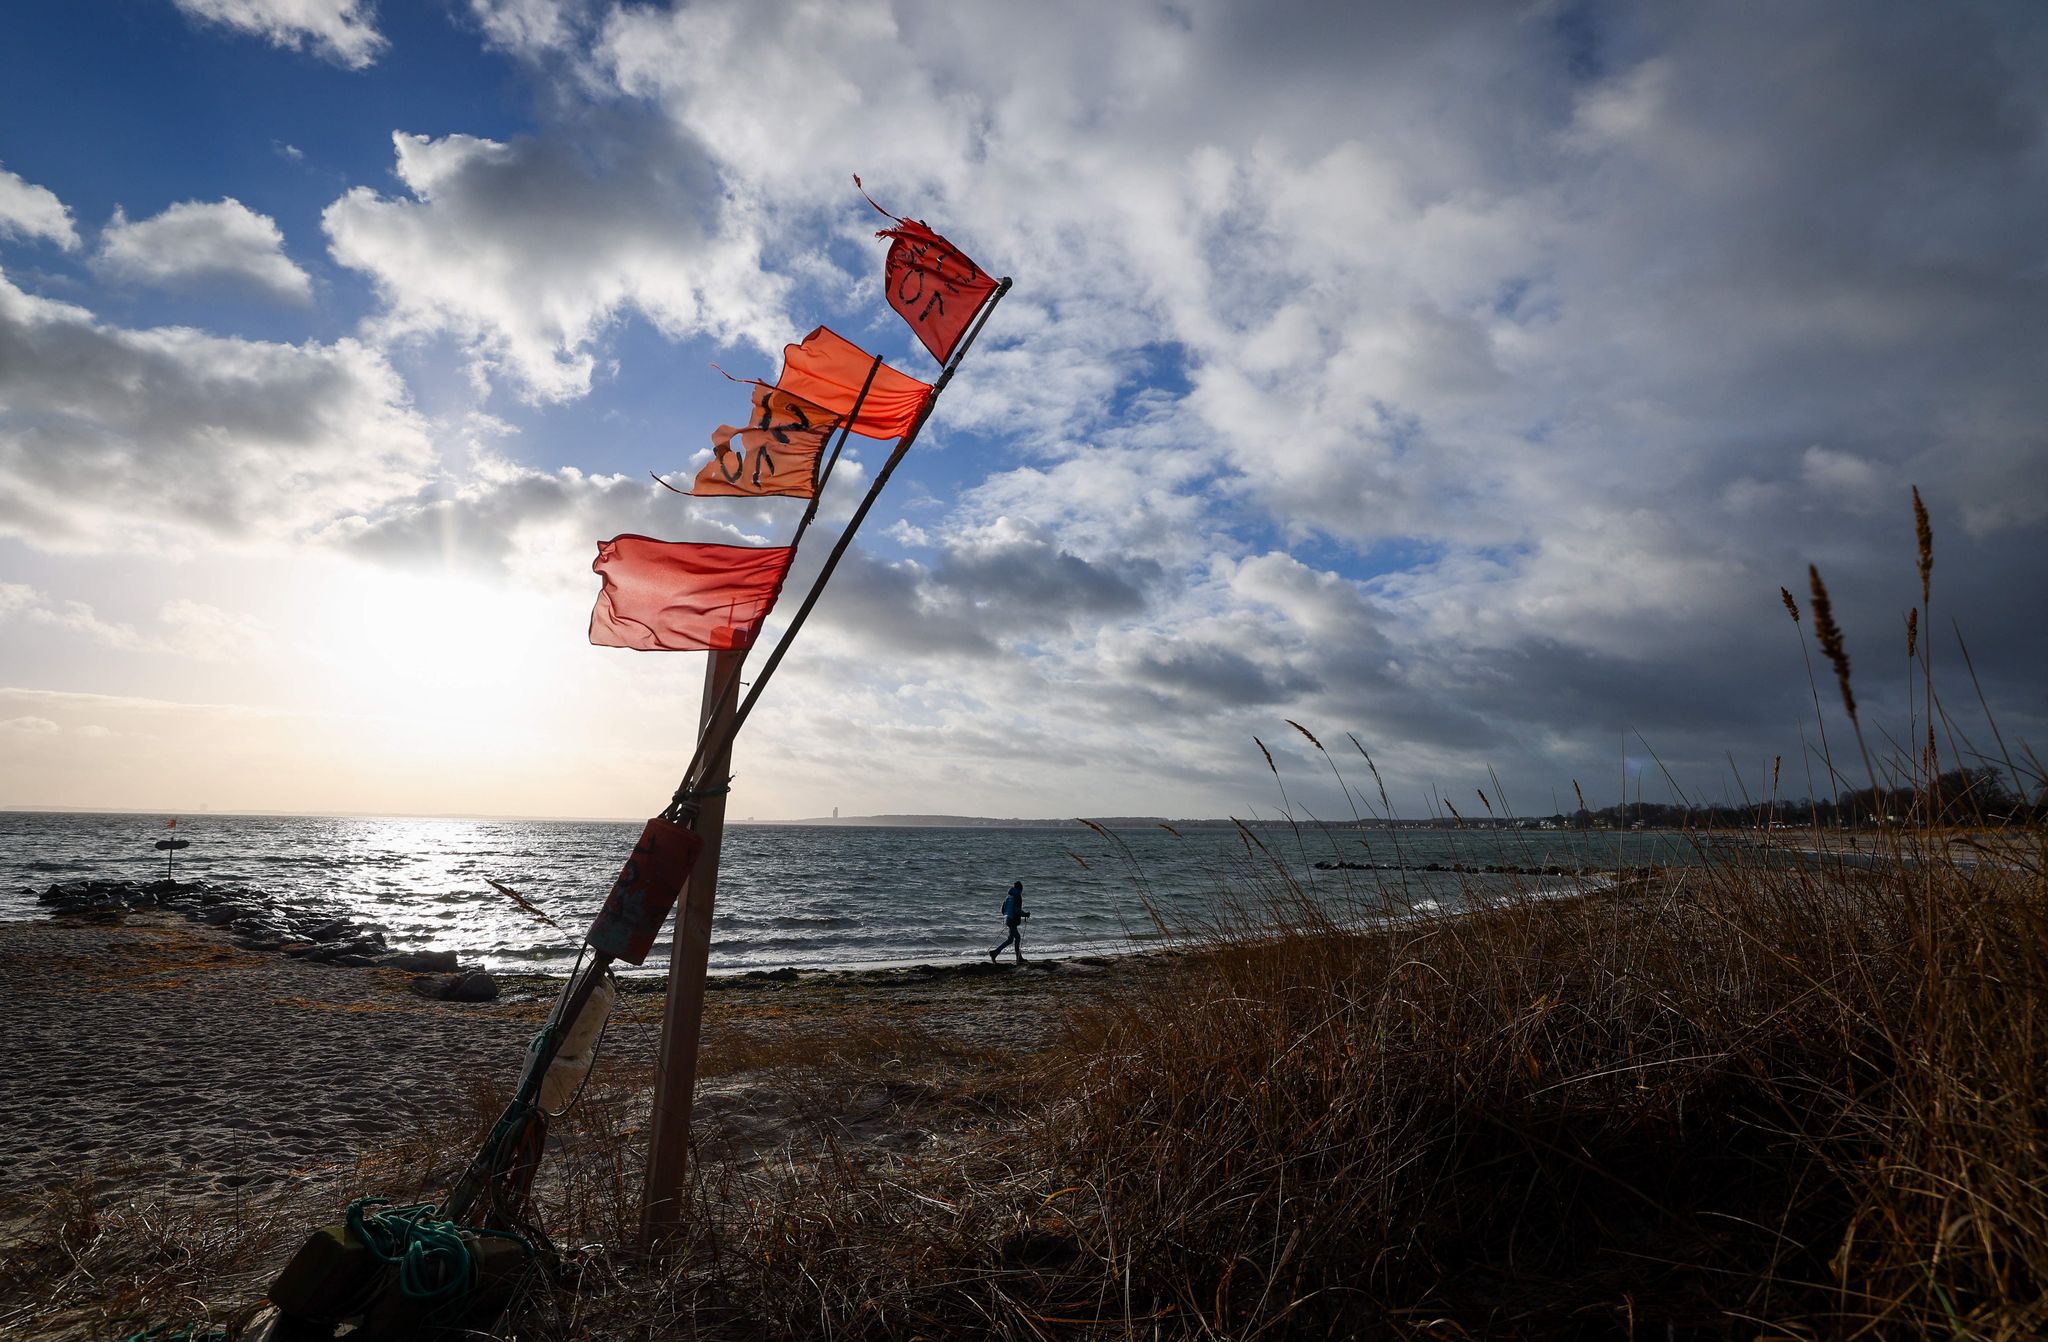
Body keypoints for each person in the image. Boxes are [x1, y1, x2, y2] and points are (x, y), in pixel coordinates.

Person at [988, 879, 1028, 962]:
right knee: (1017, 937)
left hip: (1008, 919)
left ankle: (995, 953)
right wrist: (1025, 914)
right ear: (1020, 889)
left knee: (1010, 939)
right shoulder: (1017, 896)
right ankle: (1018, 958)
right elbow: (1016, 909)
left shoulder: (1008, 896)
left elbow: (1002, 909)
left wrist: (1007, 916)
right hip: (1012, 920)